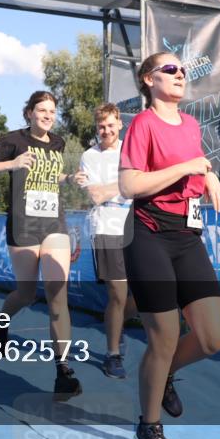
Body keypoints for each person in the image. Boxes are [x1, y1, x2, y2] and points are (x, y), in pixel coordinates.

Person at [118, 52, 220, 439]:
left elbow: (195, 162)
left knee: (213, 336)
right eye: (170, 69)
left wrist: (209, 175)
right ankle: (150, 426)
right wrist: (188, 168)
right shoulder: (143, 125)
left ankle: (161, 375)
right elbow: (129, 186)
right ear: (149, 80)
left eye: (182, 69)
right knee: (163, 336)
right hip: (147, 234)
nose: (180, 73)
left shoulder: (191, 124)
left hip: (187, 236)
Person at [0, 90, 81, 400]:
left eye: (52, 111)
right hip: (22, 226)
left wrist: (70, 178)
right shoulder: (13, 140)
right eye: (42, 110)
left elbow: (50, 175)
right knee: (25, 293)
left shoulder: (59, 143)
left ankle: (63, 372)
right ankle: (1, 319)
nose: (48, 115)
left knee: (56, 293)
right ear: (29, 113)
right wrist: (12, 162)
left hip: (53, 225)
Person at [76, 102, 138, 380]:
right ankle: (113, 355)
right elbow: (96, 196)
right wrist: (127, 185)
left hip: (136, 225)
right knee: (117, 293)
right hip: (105, 227)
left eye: (110, 125)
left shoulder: (131, 149)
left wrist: (125, 186)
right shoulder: (89, 156)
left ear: (119, 124)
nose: (106, 130)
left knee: (142, 294)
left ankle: (116, 325)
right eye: (101, 126)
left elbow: (143, 183)